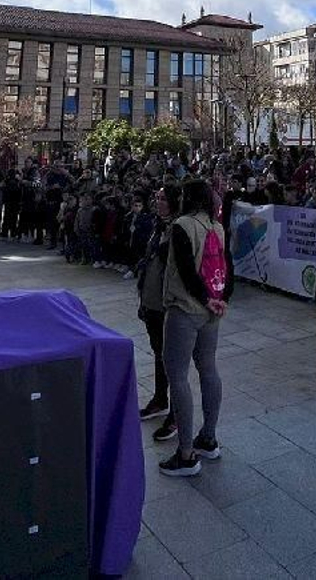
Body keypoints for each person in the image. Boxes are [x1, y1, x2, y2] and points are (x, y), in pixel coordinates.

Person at [159, 179, 230, 478]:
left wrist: (203, 298)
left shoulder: (182, 225)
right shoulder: (217, 227)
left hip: (185, 308)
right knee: (209, 369)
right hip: (212, 309)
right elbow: (228, 267)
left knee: (177, 377)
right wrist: (220, 300)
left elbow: (186, 270)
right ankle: (208, 437)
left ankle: (186, 453)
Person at [137, 186, 181, 442]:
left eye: (164, 198)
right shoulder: (158, 225)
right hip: (152, 300)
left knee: (173, 361)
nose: (158, 202)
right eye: (157, 197)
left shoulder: (179, 228)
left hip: (169, 304)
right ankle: (160, 399)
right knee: (158, 353)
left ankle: (176, 415)